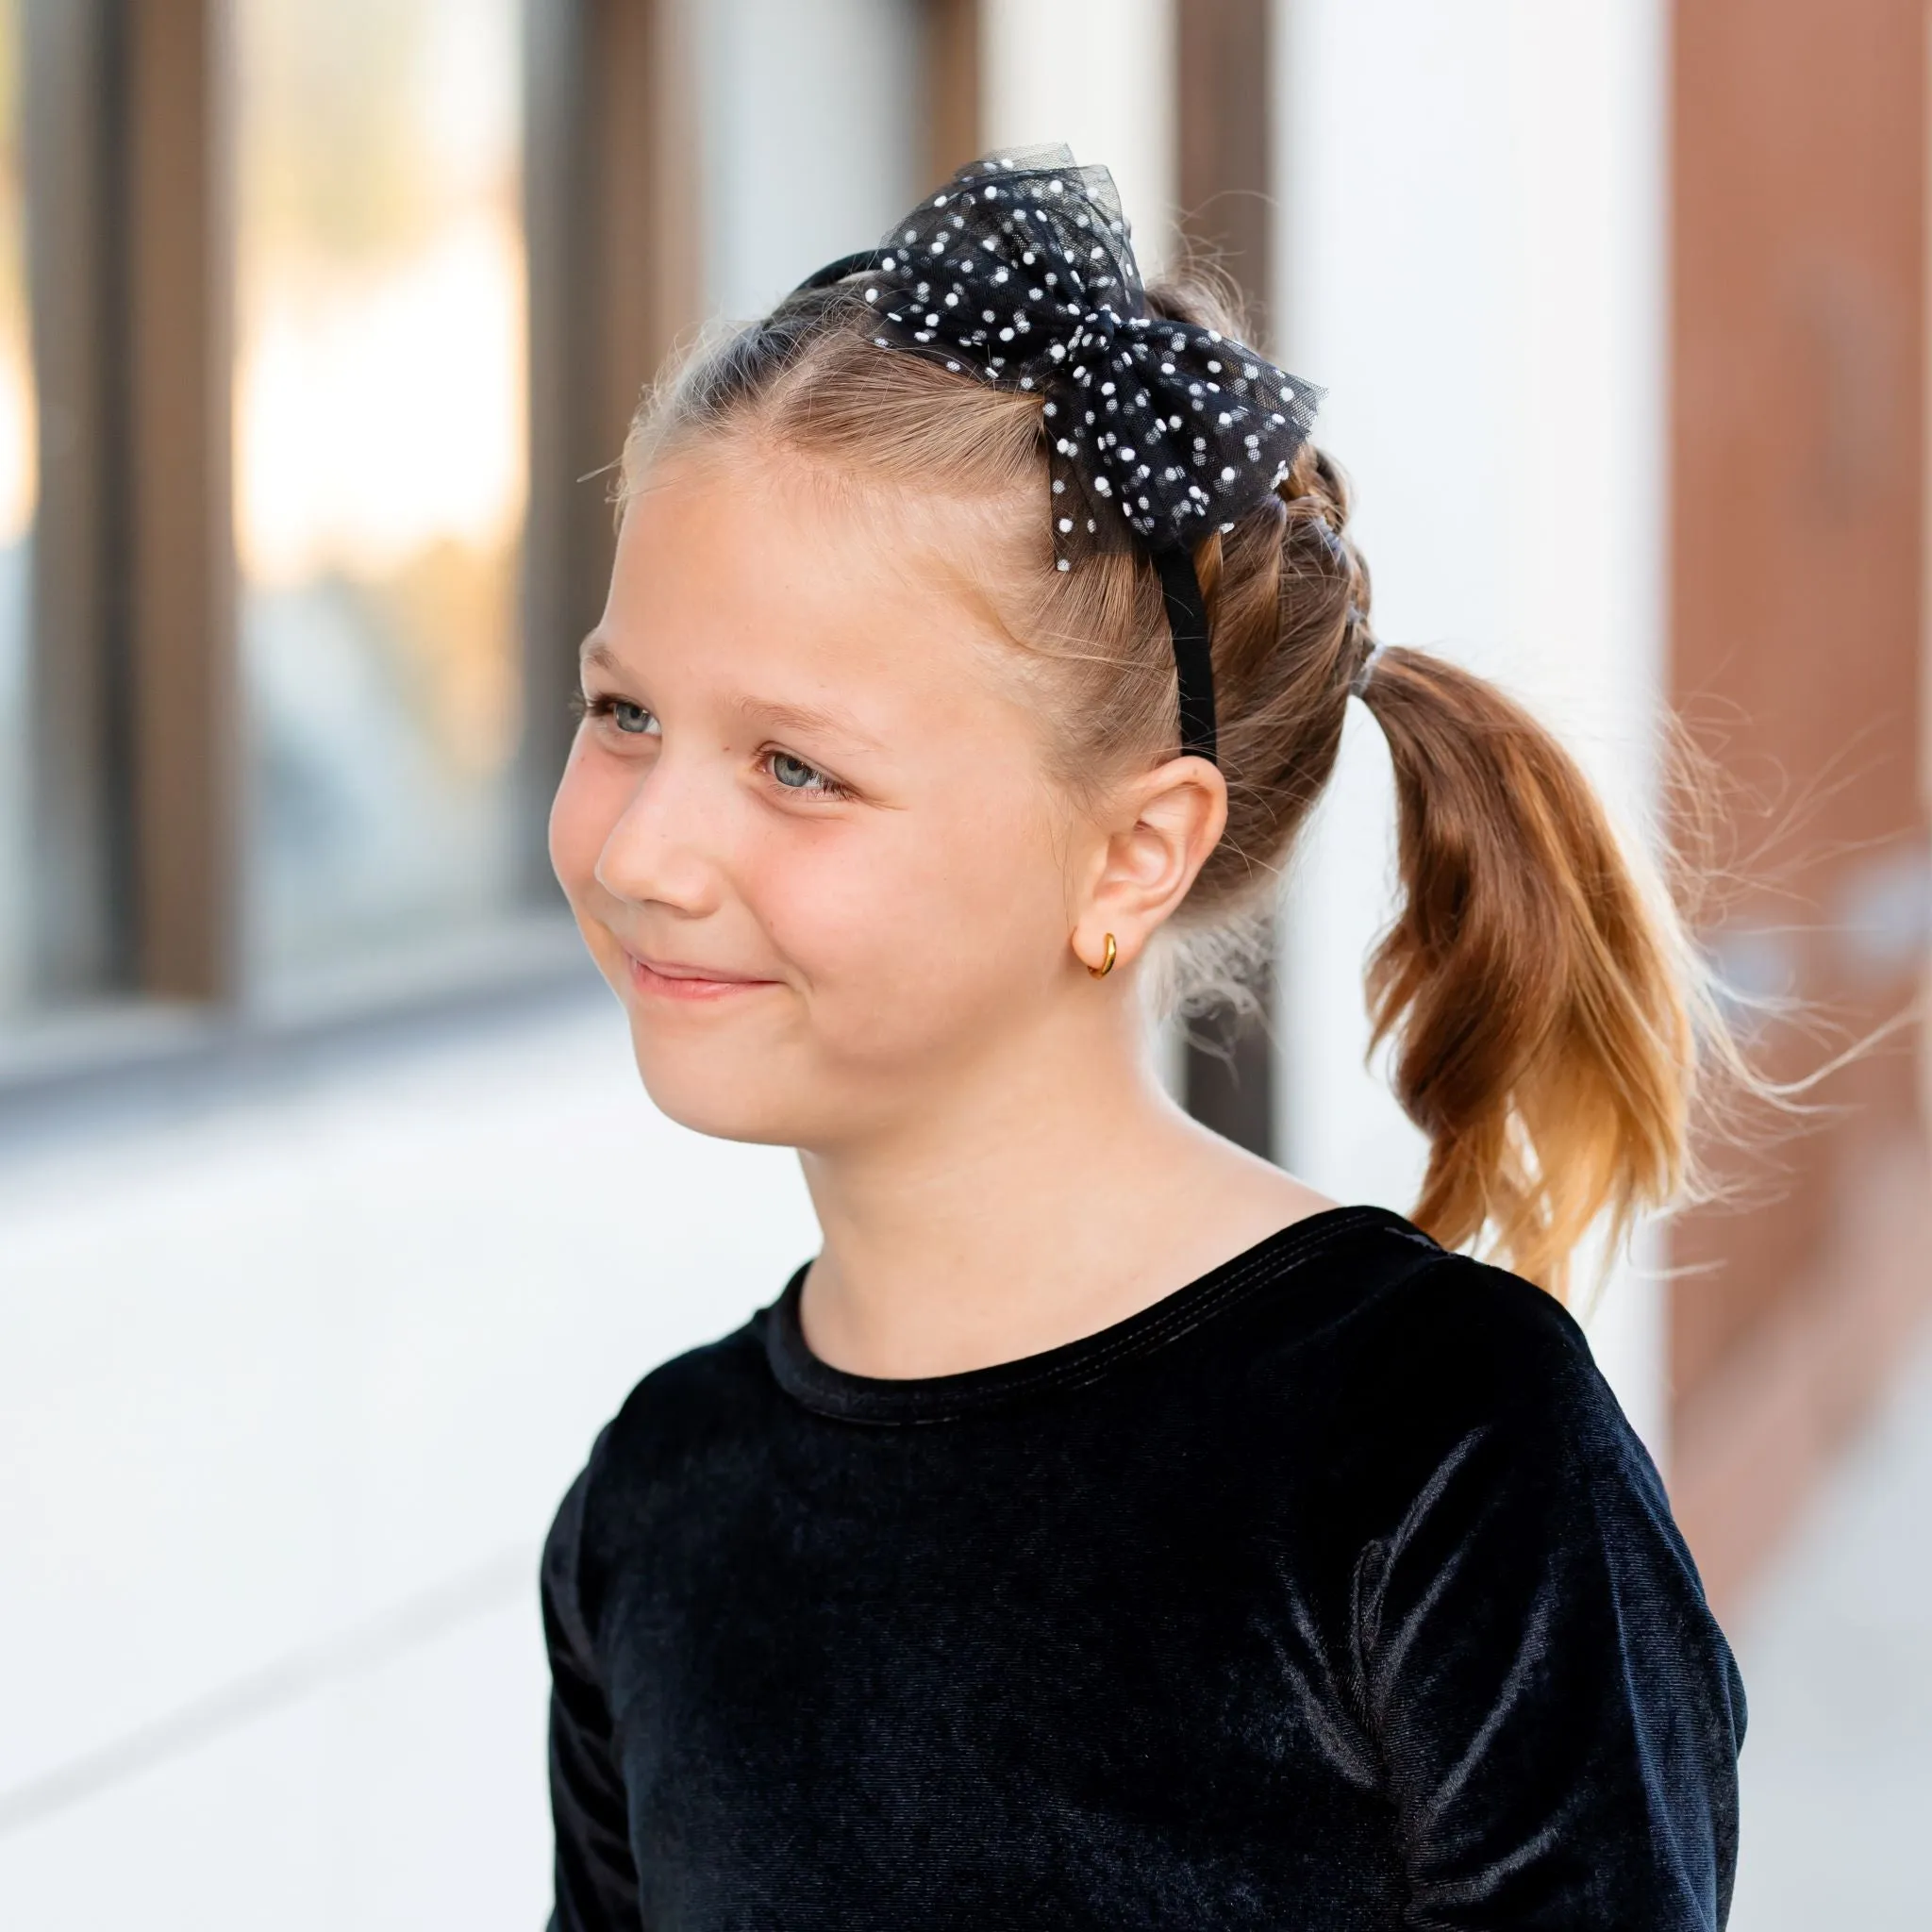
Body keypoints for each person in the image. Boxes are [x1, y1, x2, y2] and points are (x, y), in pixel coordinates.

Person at [541, 146, 1744, 1931]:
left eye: (797, 767)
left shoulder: (1438, 1456)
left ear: (1134, 852)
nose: (642, 849)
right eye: (624, 711)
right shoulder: (658, 1505)